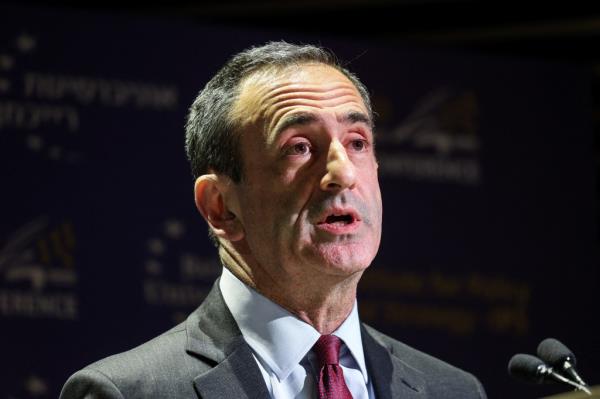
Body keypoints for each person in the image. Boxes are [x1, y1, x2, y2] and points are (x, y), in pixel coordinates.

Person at [60, 41, 487, 399]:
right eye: (299, 147)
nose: (343, 172)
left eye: (357, 142)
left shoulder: (452, 390)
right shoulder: (128, 392)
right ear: (220, 207)